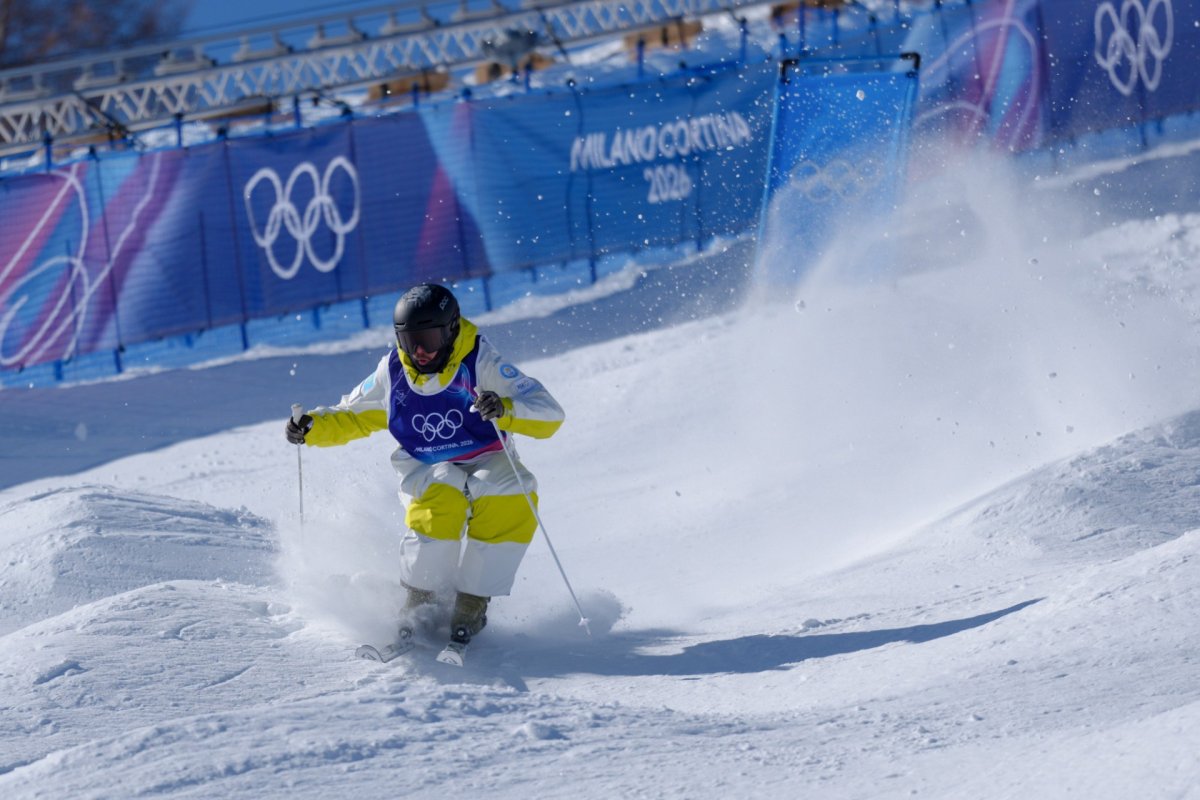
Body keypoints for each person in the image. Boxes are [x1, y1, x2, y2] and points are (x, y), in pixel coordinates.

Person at [285, 283, 564, 653]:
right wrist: (313, 427)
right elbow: (352, 415)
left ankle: (471, 605)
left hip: (486, 456)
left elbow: (550, 413)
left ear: (451, 330)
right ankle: (420, 600)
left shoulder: (480, 362)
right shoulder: (392, 372)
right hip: (426, 463)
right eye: (409, 340)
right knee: (444, 492)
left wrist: (506, 408)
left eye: (429, 339)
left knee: (512, 490)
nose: (419, 351)